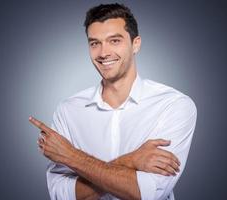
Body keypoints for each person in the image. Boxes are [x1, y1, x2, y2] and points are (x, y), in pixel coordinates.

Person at [29, 3, 197, 200]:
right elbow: (64, 196)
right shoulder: (68, 110)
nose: (103, 53)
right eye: (94, 43)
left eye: (114, 41)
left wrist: (71, 156)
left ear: (136, 44)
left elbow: (146, 193)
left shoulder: (173, 105)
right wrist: (132, 160)